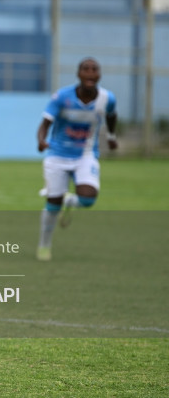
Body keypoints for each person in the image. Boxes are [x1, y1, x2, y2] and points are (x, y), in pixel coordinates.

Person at [35, 57, 117, 261]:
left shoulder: (107, 98)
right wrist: (41, 140)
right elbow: (45, 122)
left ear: (99, 74)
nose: (90, 73)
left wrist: (111, 137)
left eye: (94, 69)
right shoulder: (62, 97)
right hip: (58, 155)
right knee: (52, 204)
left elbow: (111, 115)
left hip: (85, 154)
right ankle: (44, 246)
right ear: (78, 74)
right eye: (85, 69)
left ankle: (69, 200)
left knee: (88, 199)